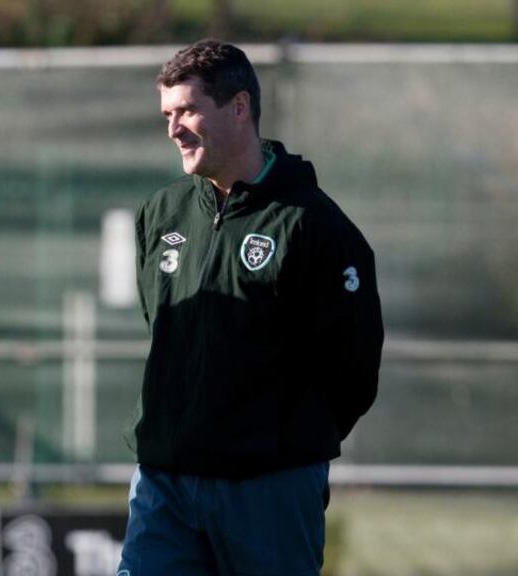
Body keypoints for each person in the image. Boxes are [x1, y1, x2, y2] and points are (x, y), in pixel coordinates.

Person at [117, 40, 383, 576]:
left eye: (187, 110)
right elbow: (165, 331)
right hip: (164, 483)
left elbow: (354, 369)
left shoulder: (312, 225)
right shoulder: (160, 213)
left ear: (239, 108)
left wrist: (282, 445)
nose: (174, 129)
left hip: (269, 489)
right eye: (168, 114)